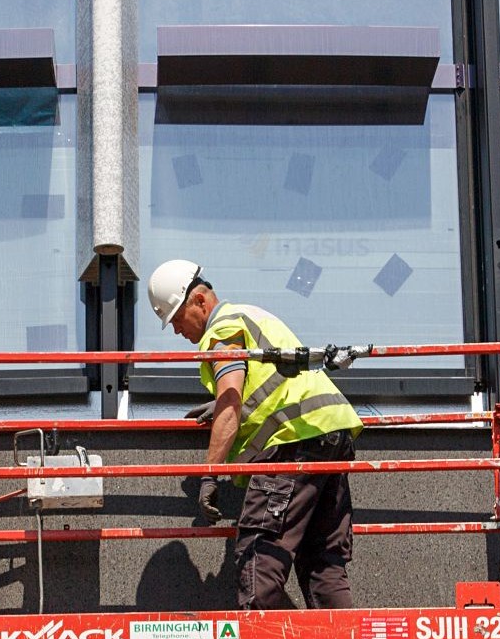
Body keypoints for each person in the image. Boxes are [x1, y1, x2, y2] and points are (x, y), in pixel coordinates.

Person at [146, 259, 364, 611]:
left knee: (258, 562)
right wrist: (223, 402)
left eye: (176, 319)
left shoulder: (223, 328)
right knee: (323, 565)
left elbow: (231, 405)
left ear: (200, 301)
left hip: (292, 444)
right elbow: (262, 390)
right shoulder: (251, 315)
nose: (176, 331)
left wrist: (210, 475)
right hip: (329, 438)